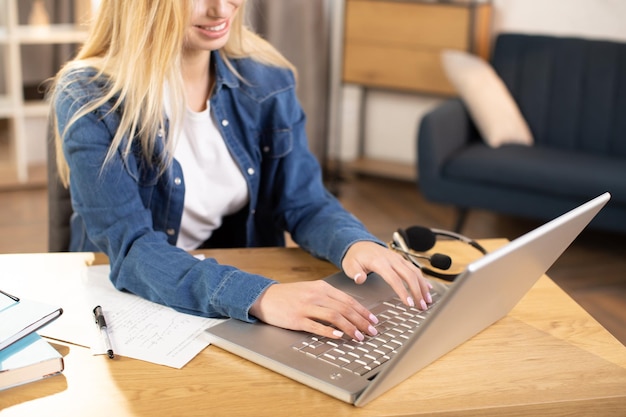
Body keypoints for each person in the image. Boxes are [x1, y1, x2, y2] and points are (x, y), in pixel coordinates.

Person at [49, 0, 432, 342]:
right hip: (128, 297)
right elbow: (131, 247)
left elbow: (303, 201)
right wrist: (261, 296)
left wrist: (355, 242)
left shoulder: (266, 80)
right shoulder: (89, 96)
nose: (221, 9)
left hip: (223, 285)